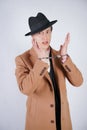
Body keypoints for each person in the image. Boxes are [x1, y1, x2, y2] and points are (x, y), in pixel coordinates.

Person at [15, 12, 83, 130]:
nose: (44, 37)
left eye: (47, 31)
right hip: (39, 124)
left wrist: (65, 58)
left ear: (51, 32)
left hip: (63, 124)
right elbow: (25, 89)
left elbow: (78, 82)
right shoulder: (22, 59)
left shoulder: (60, 56)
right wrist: (41, 62)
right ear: (33, 37)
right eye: (40, 33)